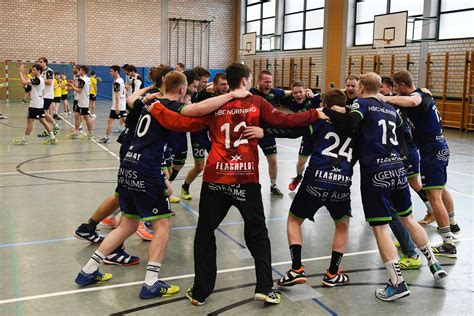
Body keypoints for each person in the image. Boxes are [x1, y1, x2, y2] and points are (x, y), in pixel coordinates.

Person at [149, 63, 324, 306]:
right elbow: (285, 120)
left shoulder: (216, 104)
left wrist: (156, 108)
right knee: (258, 234)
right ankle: (264, 287)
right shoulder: (257, 102)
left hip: (216, 178)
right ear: (244, 80)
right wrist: (315, 113)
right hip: (246, 179)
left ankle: (200, 291)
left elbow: (184, 123)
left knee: (205, 233)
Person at [74, 70, 252, 301]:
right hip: (148, 170)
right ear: (181, 90)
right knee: (163, 226)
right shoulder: (168, 106)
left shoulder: (148, 104)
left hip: (128, 165)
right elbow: (195, 111)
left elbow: (130, 100)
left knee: (127, 224)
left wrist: (148, 93)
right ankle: (150, 283)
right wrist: (232, 95)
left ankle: (88, 270)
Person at [324, 72, 447, 302]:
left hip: (376, 172)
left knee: (380, 228)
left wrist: (327, 112)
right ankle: (434, 263)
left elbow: (351, 123)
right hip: (398, 169)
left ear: (361, 86)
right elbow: (404, 137)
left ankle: (397, 283)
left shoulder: (362, 103)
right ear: (380, 87)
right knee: (408, 218)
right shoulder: (391, 109)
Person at [263, 89, 353, 287]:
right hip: (341, 183)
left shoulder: (320, 120)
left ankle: (296, 268)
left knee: (294, 220)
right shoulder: (355, 123)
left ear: (325, 103)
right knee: (342, 225)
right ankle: (332, 273)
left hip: (316, 180)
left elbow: (294, 132)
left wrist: (265, 131)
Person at [379, 70, 460, 258]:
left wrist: (386, 99)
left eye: (397, 88)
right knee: (439, 189)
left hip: (432, 150)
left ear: (401, 85)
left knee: (434, 196)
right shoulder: (422, 94)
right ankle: (453, 223)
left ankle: (448, 243)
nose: (396, 93)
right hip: (436, 148)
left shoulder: (418, 96)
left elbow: (414, 101)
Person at [180, 72, 229, 200]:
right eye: (222, 84)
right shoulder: (204, 94)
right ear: (215, 86)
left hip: (215, 134)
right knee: (199, 166)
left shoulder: (229, 97)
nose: (226, 87)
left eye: (227, 84)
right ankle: (185, 186)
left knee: (220, 163)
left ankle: (220, 189)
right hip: (199, 134)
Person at [281, 81, 322, 192]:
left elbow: (331, 94)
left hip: (320, 133)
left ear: (305, 91)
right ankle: (298, 178)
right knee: (301, 161)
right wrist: (289, 93)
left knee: (321, 161)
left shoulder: (313, 98)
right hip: (307, 134)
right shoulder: (290, 101)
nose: (298, 95)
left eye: (300, 92)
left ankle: (320, 183)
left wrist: (314, 94)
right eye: (295, 93)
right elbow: (277, 94)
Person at [13, 63, 57, 145]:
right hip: (38, 104)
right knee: (43, 121)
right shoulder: (37, 79)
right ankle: (53, 138)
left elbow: (23, 82)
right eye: (32, 69)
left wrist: (20, 72)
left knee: (30, 121)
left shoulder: (38, 79)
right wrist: (23, 73)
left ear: (39, 71)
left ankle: (24, 140)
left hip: (35, 105)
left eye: (34, 70)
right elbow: (27, 82)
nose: (32, 71)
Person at [98, 65, 127, 144]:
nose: (110, 73)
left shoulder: (117, 82)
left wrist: (117, 106)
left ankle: (106, 138)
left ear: (116, 71)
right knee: (125, 121)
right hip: (122, 104)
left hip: (117, 105)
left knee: (110, 121)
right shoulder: (121, 80)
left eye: (111, 71)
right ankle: (134, 134)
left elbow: (117, 95)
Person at [67, 65, 94, 139]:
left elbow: (79, 90)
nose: (79, 71)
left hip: (83, 101)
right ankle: (76, 132)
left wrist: (71, 86)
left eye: (80, 70)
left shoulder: (83, 80)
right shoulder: (87, 79)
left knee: (86, 118)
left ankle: (91, 133)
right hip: (81, 100)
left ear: (83, 71)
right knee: (76, 116)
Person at [37, 57, 60, 137]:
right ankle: (47, 130)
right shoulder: (42, 72)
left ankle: (55, 125)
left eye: (41, 61)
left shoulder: (49, 71)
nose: (39, 63)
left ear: (45, 62)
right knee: (44, 113)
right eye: (38, 62)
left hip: (48, 95)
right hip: (42, 95)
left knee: (42, 112)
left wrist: (40, 81)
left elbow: (50, 82)